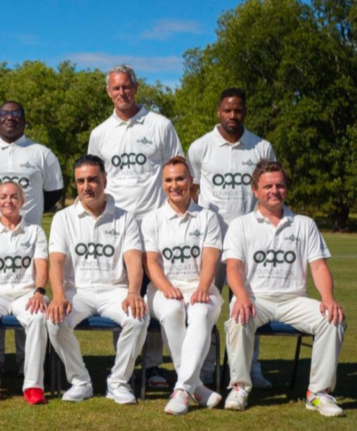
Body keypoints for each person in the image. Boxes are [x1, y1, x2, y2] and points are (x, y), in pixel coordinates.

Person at [223, 160, 345, 417]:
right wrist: (242, 297)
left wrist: (328, 298)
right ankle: (240, 387)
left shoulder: (304, 223)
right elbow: (233, 268)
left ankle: (318, 393)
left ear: (286, 189)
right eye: (267, 186)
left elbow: (319, 267)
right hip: (256, 299)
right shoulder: (240, 225)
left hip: (293, 300)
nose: (274, 190)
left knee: (333, 319)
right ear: (255, 190)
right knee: (237, 315)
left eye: (280, 185)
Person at [87, 64, 184, 388]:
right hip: (115, 223)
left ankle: (154, 367)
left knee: (153, 290)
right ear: (108, 91)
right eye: (115, 88)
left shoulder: (159, 125)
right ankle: (123, 367)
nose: (121, 93)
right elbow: (93, 178)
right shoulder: (100, 133)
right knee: (123, 291)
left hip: (155, 222)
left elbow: (177, 169)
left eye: (126, 87)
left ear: (136, 87)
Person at [0, 101, 63, 376]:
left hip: (28, 234)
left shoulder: (41, 153)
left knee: (28, 294)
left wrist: (25, 215)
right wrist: (0, 214)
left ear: (24, 120)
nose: (10, 119)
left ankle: (25, 365)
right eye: (4, 114)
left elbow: (53, 191)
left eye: (16, 114)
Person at [187, 88, 277, 387]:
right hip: (211, 242)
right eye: (227, 110)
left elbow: (268, 190)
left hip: (251, 243)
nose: (232, 115)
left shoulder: (261, 147)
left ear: (245, 112)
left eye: (238, 110)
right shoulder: (200, 147)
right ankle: (209, 368)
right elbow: (194, 193)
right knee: (210, 307)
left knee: (248, 302)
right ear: (218, 112)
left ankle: (251, 367)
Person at [47, 155, 148, 404]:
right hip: (76, 291)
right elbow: (56, 261)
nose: (86, 186)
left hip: (114, 290)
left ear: (105, 179)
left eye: (92, 179)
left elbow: (134, 261)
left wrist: (134, 292)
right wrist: (58, 295)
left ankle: (118, 382)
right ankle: (80, 381)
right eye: (81, 181)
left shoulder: (125, 217)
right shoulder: (63, 218)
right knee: (54, 321)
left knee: (139, 318)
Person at [141, 157, 224, 415]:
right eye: (169, 180)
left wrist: (203, 286)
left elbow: (211, 257)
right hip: (162, 290)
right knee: (173, 309)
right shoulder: (152, 219)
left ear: (190, 181)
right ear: (162, 183)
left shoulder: (208, 217)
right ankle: (195, 386)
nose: (174, 185)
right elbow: (151, 262)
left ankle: (182, 388)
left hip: (201, 287)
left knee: (199, 312)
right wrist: (165, 287)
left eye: (180, 178)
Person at [0, 181, 49, 406]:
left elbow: (42, 265)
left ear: (22, 201)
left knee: (38, 316)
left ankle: (33, 386)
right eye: (4, 197)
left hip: (27, 293)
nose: (9, 201)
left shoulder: (35, 230)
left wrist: (39, 292)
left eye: (14, 197)